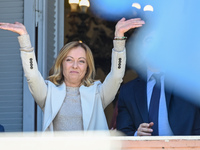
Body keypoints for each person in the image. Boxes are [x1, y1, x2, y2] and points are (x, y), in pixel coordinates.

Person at [0, 18, 145, 132]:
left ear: (87, 67)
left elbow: (116, 76)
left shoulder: (97, 93)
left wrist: (119, 38)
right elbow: (32, 75)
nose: (75, 65)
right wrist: (24, 40)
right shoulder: (48, 92)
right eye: (69, 60)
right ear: (61, 63)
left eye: (81, 61)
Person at [116, 25, 200, 136]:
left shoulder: (189, 82)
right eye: (149, 40)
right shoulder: (128, 91)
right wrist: (136, 134)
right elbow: (123, 132)